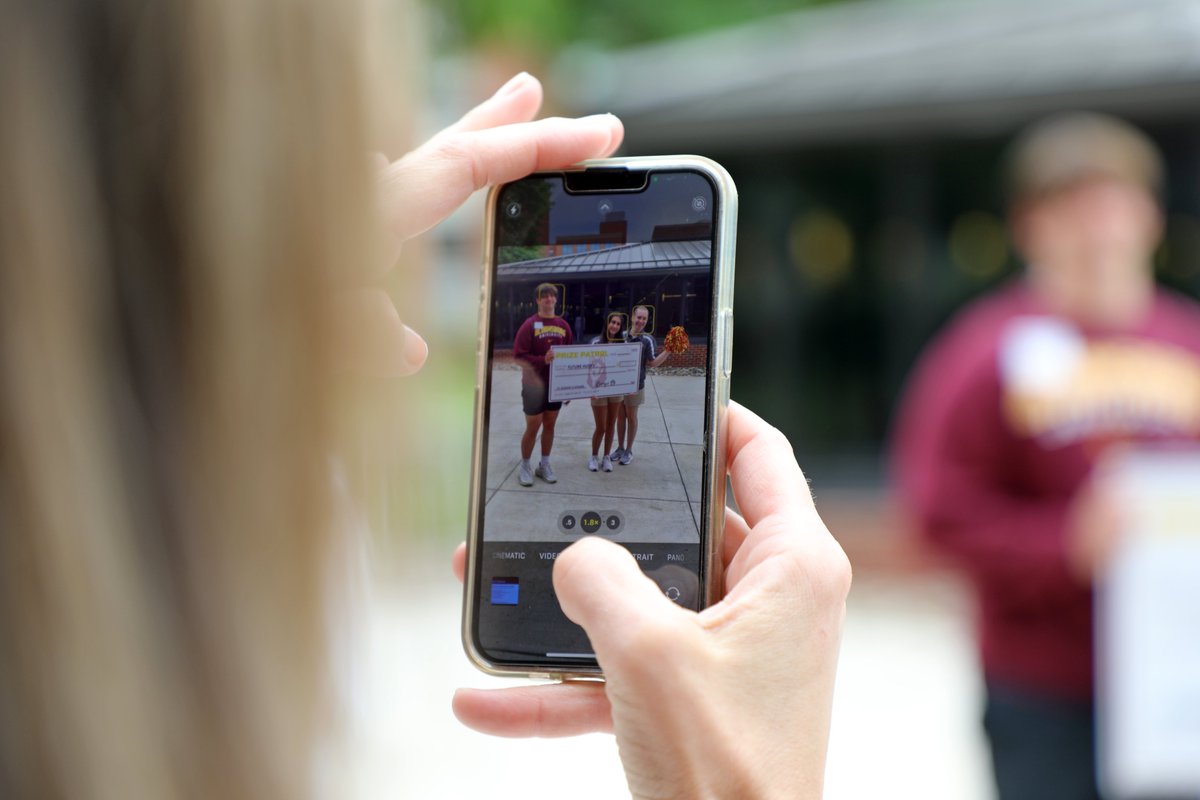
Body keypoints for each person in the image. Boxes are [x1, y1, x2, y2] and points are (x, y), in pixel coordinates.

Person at [0, 3, 852, 798]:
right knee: (539, 443)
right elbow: (526, 349)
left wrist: (235, 323)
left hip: (569, 391)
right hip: (540, 391)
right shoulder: (199, 682)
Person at [892, 112, 1200, 800]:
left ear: (1150, 215)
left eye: (1114, 204)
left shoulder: (1189, 342)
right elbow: (937, 514)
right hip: (1044, 690)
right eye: (1072, 209)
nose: (1099, 229)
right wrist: (1065, 543)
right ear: (1030, 224)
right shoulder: (982, 353)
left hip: (1180, 684)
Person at [512, 282, 573, 485]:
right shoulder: (529, 325)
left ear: (556, 299)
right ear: (538, 300)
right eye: (543, 296)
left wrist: (570, 386)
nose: (548, 299)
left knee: (549, 424)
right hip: (533, 386)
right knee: (533, 426)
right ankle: (525, 465)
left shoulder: (564, 326)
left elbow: (571, 358)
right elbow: (519, 356)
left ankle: (544, 465)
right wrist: (542, 360)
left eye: (551, 296)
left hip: (555, 387)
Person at [611, 304, 669, 465]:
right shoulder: (620, 335)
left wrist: (668, 350)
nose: (641, 321)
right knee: (620, 417)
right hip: (618, 385)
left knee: (632, 417)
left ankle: (629, 450)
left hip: (636, 386)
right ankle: (620, 448)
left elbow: (652, 362)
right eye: (639, 317)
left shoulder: (647, 340)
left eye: (644, 319)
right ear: (632, 317)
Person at [587, 311, 625, 472]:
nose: (614, 326)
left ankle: (606, 456)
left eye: (617, 323)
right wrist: (590, 389)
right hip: (598, 389)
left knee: (611, 424)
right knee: (601, 426)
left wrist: (628, 386)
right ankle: (594, 456)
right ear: (607, 324)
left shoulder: (624, 345)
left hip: (616, 390)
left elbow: (626, 368)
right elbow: (588, 367)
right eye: (612, 322)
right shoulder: (596, 342)